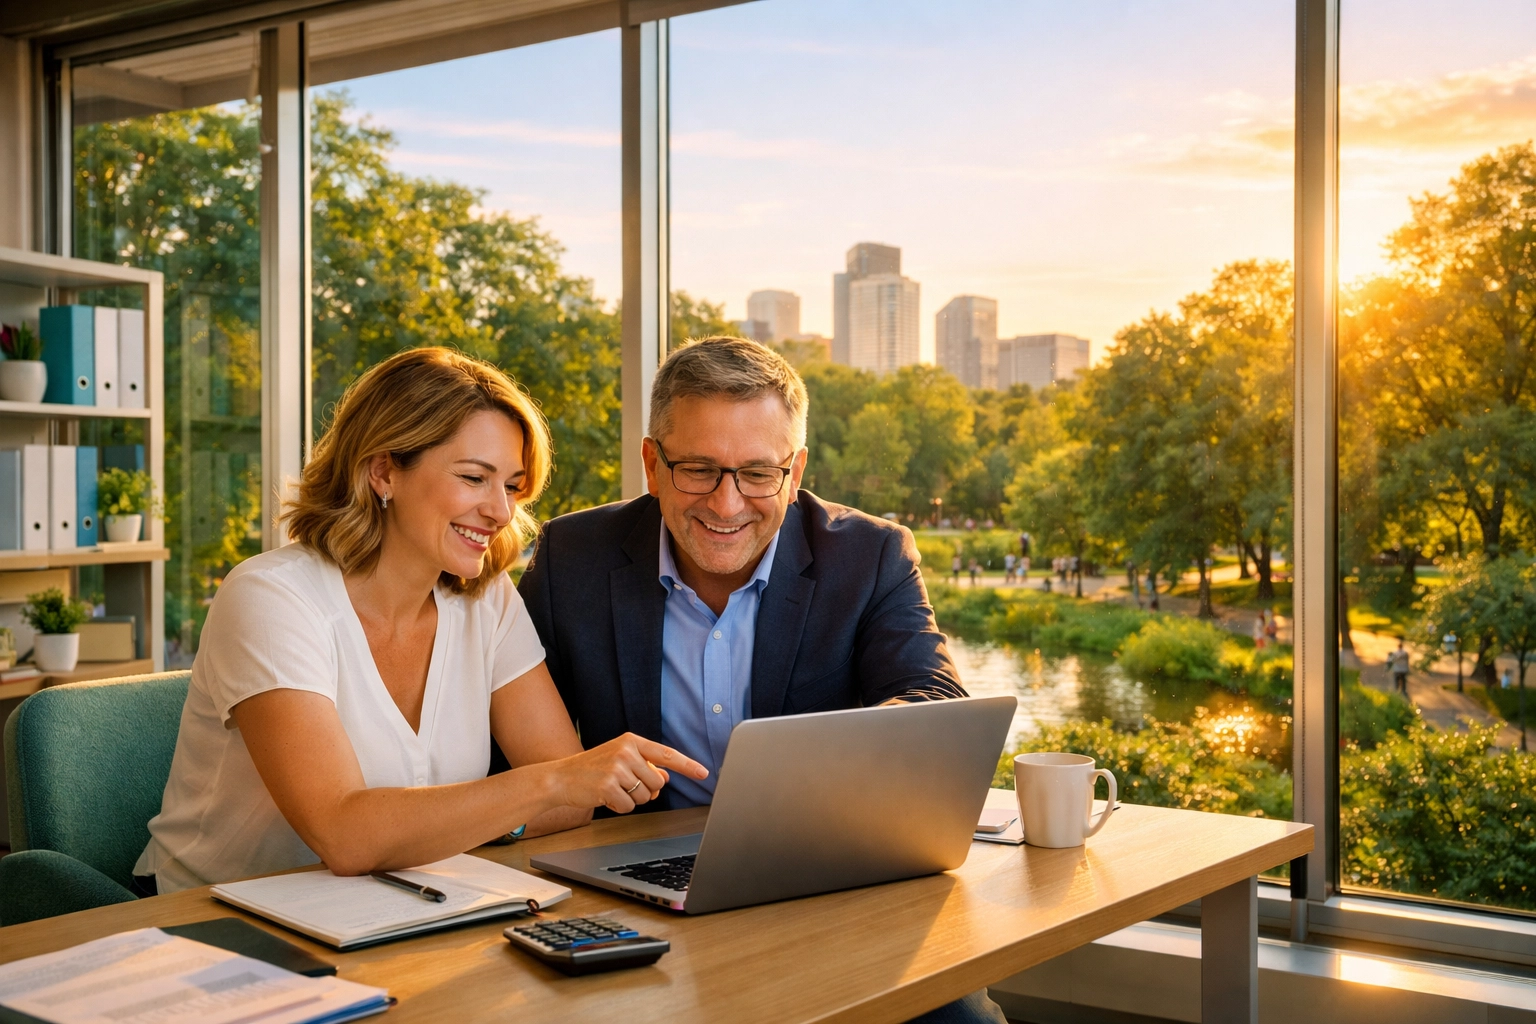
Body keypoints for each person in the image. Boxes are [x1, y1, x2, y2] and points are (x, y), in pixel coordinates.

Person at [517, 337, 1002, 1024]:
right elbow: (509, 739)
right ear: (652, 463)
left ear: (795, 470)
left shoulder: (869, 556)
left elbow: (934, 698)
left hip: (824, 880)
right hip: (632, 890)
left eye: (757, 473)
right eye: (699, 470)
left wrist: (825, 768)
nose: (726, 502)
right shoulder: (572, 558)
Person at [134, 348, 707, 896]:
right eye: (473, 477)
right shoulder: (270, 598)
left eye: (510, 485)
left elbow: (571, 806)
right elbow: (344, 834)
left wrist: (530, 800)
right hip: (214, 922)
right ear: (384, 471)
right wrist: (549, 784)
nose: (501, 511)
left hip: (403, 905)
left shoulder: (487, 600)